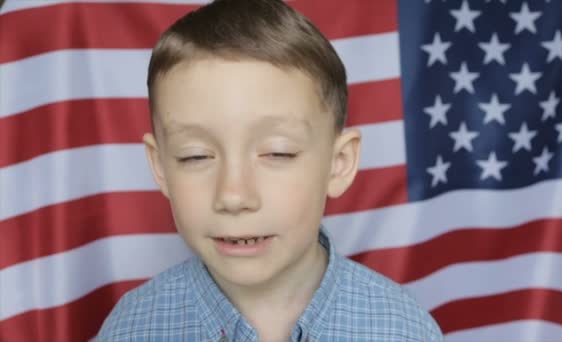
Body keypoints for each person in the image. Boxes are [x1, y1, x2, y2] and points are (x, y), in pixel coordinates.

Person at [96, 0, 442, 340]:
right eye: (195, 156)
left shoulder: (403, 329)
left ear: (339, 164)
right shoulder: (131, 328)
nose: (233, 195)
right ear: (160, 167)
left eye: (278, 152)